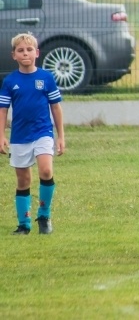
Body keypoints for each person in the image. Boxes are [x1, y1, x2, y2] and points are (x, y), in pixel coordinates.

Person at [0, 33, 65, 235]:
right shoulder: (10, 81)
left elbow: (56, 107)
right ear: (14, 55)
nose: (25, 53)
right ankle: (24, 224)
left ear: (36, 53)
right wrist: (1, 135)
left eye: (29, 49)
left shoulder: (46, 78)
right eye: (21, 50)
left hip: (43, 132)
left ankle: (44, 216)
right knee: (23, 180)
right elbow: (2, 110)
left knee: (46, 171)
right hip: (19, 136)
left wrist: (60, 135)